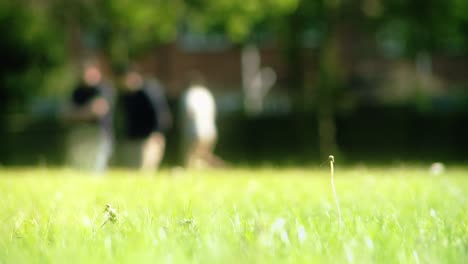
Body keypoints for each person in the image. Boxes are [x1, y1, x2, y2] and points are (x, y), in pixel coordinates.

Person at [62, 63, 114, 173]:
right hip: (80, 134)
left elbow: (97, 110)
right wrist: (86, 110)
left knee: (96, 168)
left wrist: (76, 113)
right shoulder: (77, 90)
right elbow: (65, 113)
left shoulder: (103, 89)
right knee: (79, 168)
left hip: (98, 134)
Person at [118, 69, 172, 171]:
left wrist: (158, 132)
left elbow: (161, 114)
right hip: (134, 138)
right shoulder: (127, 95)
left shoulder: (148, 91)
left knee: (146, 169)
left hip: (149, 137)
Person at [180, 75, 225, 168]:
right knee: (202, 156)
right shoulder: (207, 93)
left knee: (193, 157)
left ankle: (224, 168)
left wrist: (182, 125)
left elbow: (189, 112)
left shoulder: (190, 93)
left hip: (194, 131)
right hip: (210, 130)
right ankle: (221, 168)